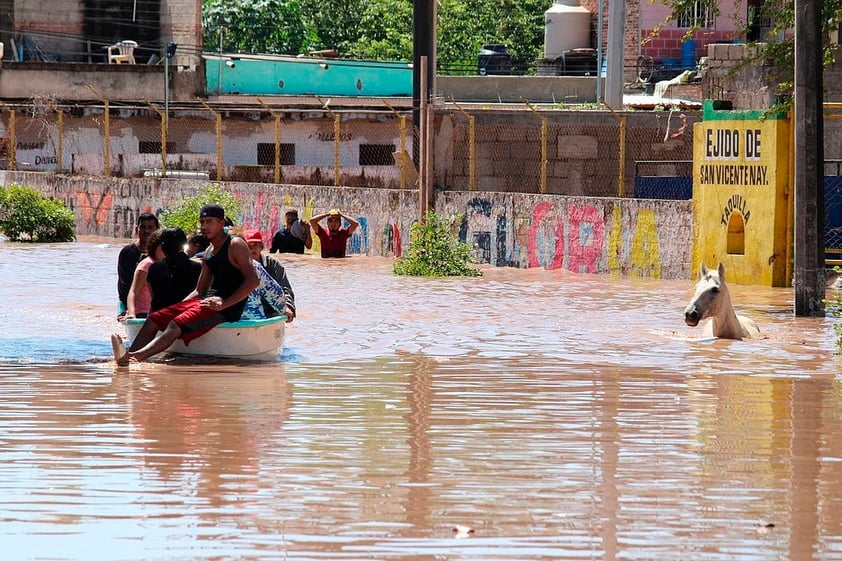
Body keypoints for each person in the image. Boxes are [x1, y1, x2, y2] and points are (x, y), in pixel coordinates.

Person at [111, 204, 259, 365]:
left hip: (227, 309)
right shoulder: (209, 251)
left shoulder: (235, 244)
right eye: (202, 222)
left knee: (175, 325)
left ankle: (133, 358)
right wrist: (176, 309)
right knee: (155, 318)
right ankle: (129, 352)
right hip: (206, 302)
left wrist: (224, 304)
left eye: (209, 222)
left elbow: (253, 281)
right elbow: (199, 290)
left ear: (222, 223)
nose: (204, 227)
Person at [146, 227, 203, 313]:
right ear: (183, 245)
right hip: (186, 317)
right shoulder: (198, 268)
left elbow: (153, 295)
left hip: (158, 317)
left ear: (163, 247)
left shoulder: (154, 268)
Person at [244, 229, 296, 321]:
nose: (252, 249)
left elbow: (285, 289)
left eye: (255, 245)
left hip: (272, 311)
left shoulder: (273, 264)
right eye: (248, 246)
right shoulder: (238, 264)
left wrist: (288, 307)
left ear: (261, 247)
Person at [117, 212, 160, 318]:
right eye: (143, 227)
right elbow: (124, 283)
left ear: (157, 230)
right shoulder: (127, 253)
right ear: (137, 230)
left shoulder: (162, 252)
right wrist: (128, 308)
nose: (147, 231)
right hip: (135, 303)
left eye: (151, 227)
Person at [124, 228, 164, 319]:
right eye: (162, 248)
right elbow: (133, 292)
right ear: (154, 247)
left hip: (156, 311)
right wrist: (131, 313)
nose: (165, 251)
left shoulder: (166, 264)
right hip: (142, 313)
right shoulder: (147, 265)